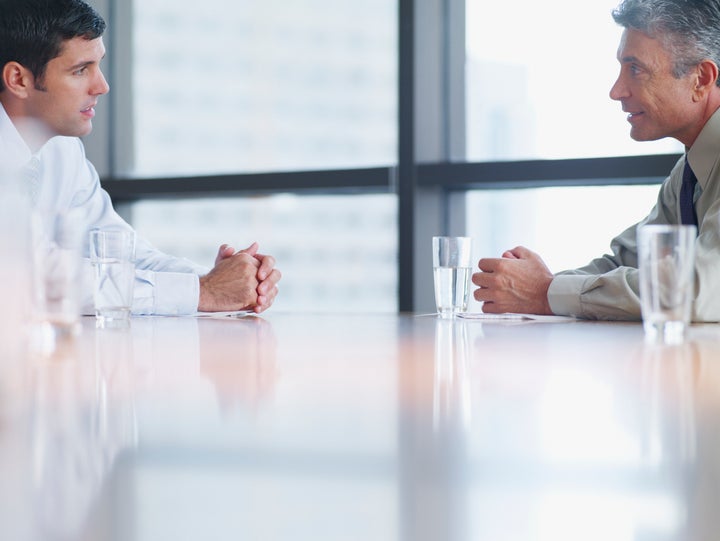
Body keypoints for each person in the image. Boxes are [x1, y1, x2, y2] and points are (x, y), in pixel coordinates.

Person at [0, 0, 281, 316]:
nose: (102, 86)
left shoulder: (60, 149)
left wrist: (217, 279)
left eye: (98, 65)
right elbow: (26, 279)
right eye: (80, 70)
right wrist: (203, 292)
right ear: (18, 80)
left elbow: (118, 250)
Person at [472, 0, 720, 321]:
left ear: (701, 78)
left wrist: (546, 293)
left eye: (635, 69)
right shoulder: (689, 173)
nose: (616, 91)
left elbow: (703, 286)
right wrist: (535, 287)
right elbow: (630, 260)